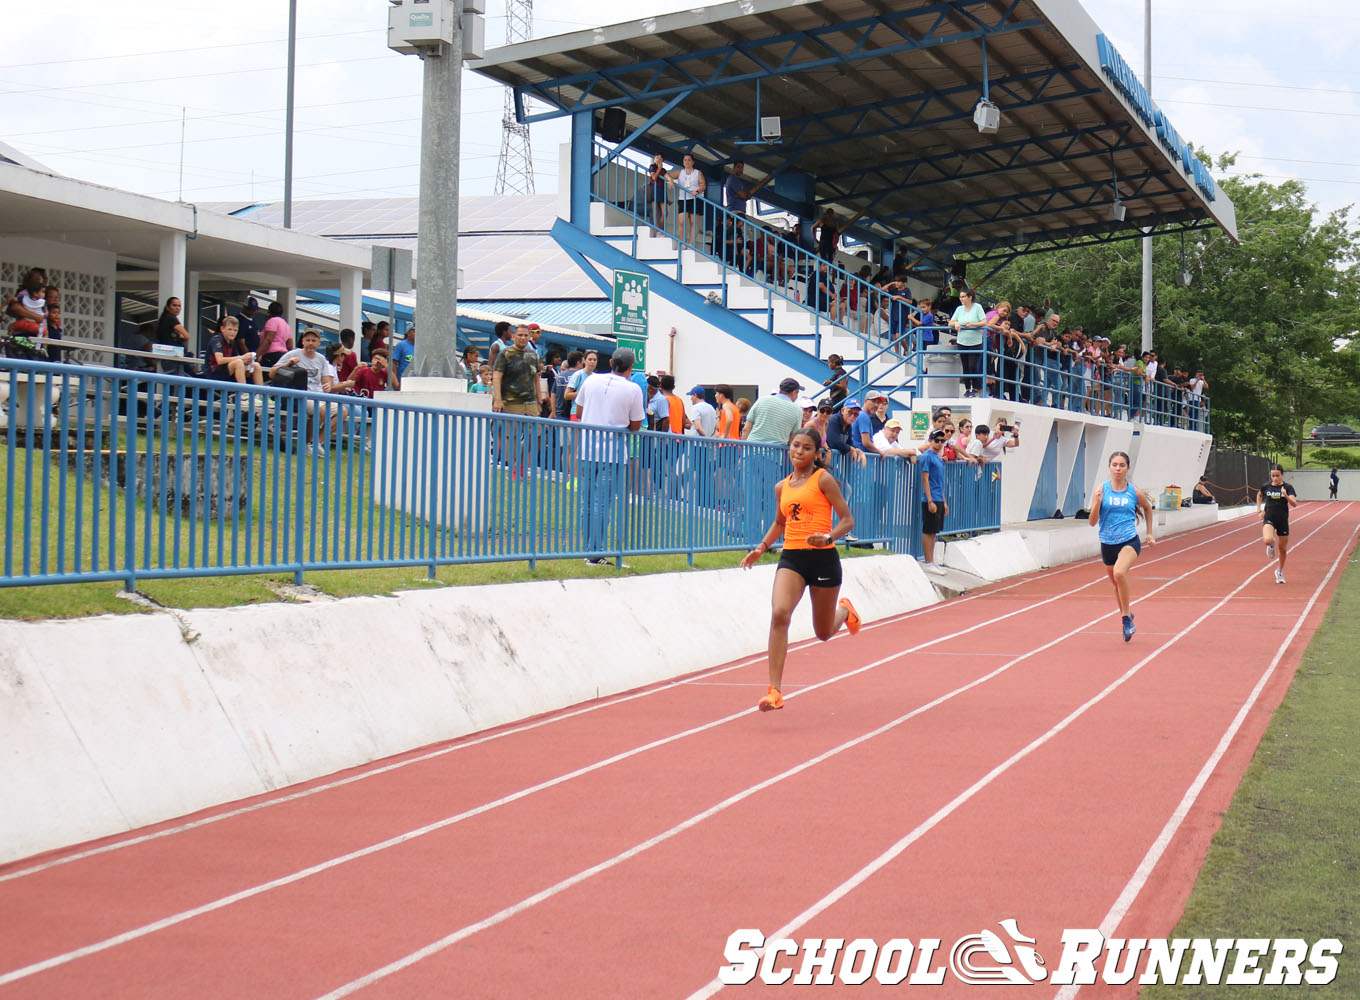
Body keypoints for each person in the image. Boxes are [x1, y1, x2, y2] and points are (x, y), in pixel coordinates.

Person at [740, 426, 861, 712]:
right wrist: (761, 547)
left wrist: (828, 537)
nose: (799, 451)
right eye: (795, 445)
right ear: (789, 447)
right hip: (792, 558)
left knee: (823, 633)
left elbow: (847, 520)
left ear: (816, 453)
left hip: (822, 559)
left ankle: (844, 611)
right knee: (780, 614)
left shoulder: (824, 480)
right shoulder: (781, 486)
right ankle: (775, 691)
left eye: (806, 448)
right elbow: (780, 522)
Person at [575, 348, 645, 565]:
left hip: (586, 449)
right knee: (602, 502)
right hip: (612, 453)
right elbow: (635, 425)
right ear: (631, 367)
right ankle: (595, 553)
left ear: (611, 361)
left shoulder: (590, 381)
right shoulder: (633, 389)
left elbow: (578, 411)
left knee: (586, 500)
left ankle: (588, 549)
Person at [1089, 451, 1156, 641]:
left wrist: (1149, 533)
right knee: (1117, 584)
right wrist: (1098, 503)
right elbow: (1092, 522)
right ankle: (1128, 612)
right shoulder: (1102, 489)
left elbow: (1148, 508)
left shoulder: (1133, 492)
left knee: (1120, 573)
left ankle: (1126, 619)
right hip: (1107, 543)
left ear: (1127, 468)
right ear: (1110, 467)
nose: (1118, 469)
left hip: (1129, 540)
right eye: (1115, 465)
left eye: (1122, 465)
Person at [1257, 464, 1298, 584]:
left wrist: (1285, 495)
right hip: (1269, 517)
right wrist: (1259, 510)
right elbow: (1259, 495)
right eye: (1273, 476)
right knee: (1267, 540)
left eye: (1277, 476)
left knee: (1283, 549)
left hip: (1282, 520)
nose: (1275, 478)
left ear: (1282, 475)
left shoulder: (1288, 487)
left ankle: (1279, 571)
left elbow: (1294, 503)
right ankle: (1271, 545)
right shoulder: (1266, 486)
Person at [919, 429, 950, 574]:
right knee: (928, 530)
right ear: (931, 440)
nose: (939, 443)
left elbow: (940, 482)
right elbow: (925, 479)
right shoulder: (927, 457)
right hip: (930, 498)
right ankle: (928, 561)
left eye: (942, 441)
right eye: (936, 440)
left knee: (934, 532)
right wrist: (930, 500)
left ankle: (931, 561)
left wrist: (943, 502)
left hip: (938, 497)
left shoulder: (938, 458)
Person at [948, 287, 987, 397]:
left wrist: (974, 325)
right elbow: (950, 322)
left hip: (975, 341)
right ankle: (967, 388)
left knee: (972, 366)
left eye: (963, 296)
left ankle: (975, 387)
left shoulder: (977, 307)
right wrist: (956, 324)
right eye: (960, 297)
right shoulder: (959, 309)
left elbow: (984, 321)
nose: (961, 299)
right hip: (962, 341)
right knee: (965, 366)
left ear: (970, 297)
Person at [206, 316, 262, 385]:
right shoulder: (217, 340)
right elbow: (220, 360)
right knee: (238, 362)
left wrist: (247, 361)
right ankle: (243, 392)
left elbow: (238, 358)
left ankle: (260, 395)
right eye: (229, 329)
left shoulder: (232, 342)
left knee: (256, 365)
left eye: (235, 330)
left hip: (227, 371)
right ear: (222, 329)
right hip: (213, 373)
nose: (232, 333)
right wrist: (242, 357)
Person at [667, 153, 706, 246]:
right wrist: (670, 180)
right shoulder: (680, 172)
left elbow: (703, 185)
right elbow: (667, 174)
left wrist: (697, 191)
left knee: (693, 221)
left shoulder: (698, 172)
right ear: (683, 162)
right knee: (682, 221)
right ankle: (682, 242)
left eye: (689, 160)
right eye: (685, 160)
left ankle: (691, 243)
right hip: (683, 198)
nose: (687, 161)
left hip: (695, 198)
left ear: (693, 162)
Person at [259, 301, 293, 368]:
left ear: (269, 311)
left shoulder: (272, 321)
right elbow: (290, 345)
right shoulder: (286, 324)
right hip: (283, 355)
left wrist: (257, 355)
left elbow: (268, 340)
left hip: (271, 356)